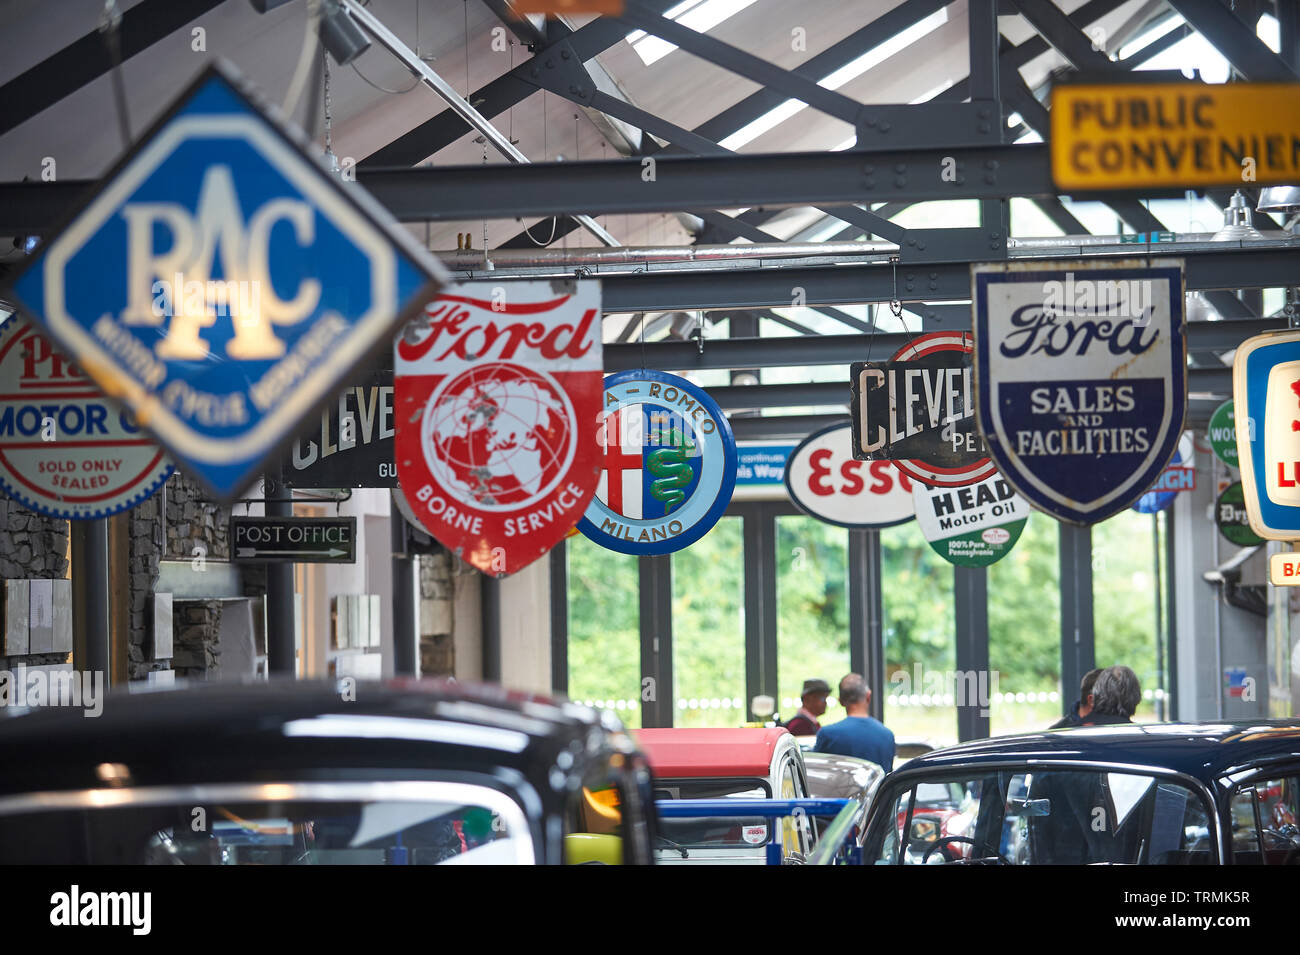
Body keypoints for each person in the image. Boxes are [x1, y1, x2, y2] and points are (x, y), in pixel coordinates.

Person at [813, 674, 895, 772]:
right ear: (868, 696)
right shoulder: (887, 735)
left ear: (840, 701)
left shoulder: (827, 734)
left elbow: (817, 772)